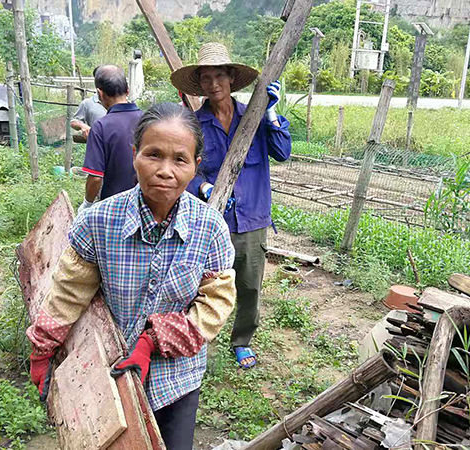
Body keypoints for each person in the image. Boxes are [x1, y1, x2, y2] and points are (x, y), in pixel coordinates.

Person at [26, 102, 236, 450]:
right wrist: (43, 348)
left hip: (177, 376)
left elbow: (216, 302)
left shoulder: (210, 228)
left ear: (196, 166)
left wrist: (152, 342)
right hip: (111, 369)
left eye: (180, 160)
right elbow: (70, 289)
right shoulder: (99, 221)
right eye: (153, 155)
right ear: (134, 154)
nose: (165, 171)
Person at [171, 42, 292, 369]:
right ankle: (195, 337)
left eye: (219, 76)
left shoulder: (252, 115)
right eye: (207, 78)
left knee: (250, 285)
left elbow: (282, 153)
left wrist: (271, 113)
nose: (214, 84)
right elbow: (184, 168)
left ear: (230, 78)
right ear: (201, 84)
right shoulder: (193, 124)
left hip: (252, 218)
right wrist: (204, 185)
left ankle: (241, 340)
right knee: (200, 284)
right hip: (211, 221)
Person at [78, 65, 143, 216]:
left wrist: (87, 204)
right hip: (147, 205)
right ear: (127, 90)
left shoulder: (101, 127)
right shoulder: (148, 120)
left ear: (100, 94)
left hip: (113, 209)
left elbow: (95, 177)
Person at [70, 66, 107, 140]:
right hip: (96, 147)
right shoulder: (88, 103)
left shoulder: (121, 102)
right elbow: (73, 122)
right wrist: (82, 126)